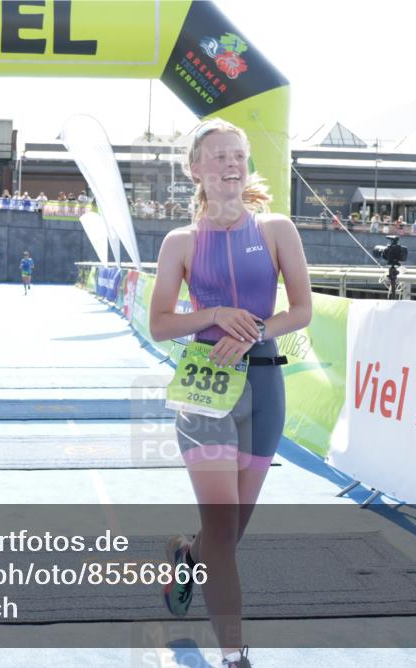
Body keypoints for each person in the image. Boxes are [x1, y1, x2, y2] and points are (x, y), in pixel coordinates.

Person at [148, 118, 311, 668]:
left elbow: (303, 310)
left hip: (264, 383)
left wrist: (255, 333)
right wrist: (216, 315)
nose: (229, 165)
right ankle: (235, 656)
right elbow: (161, 324)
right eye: (217, 157)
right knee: (221, 523)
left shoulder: (277, 230)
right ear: (195, 170)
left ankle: (186, 555)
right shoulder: (180, 242)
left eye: (237, 156)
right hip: (204, 388)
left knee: (230, 532)